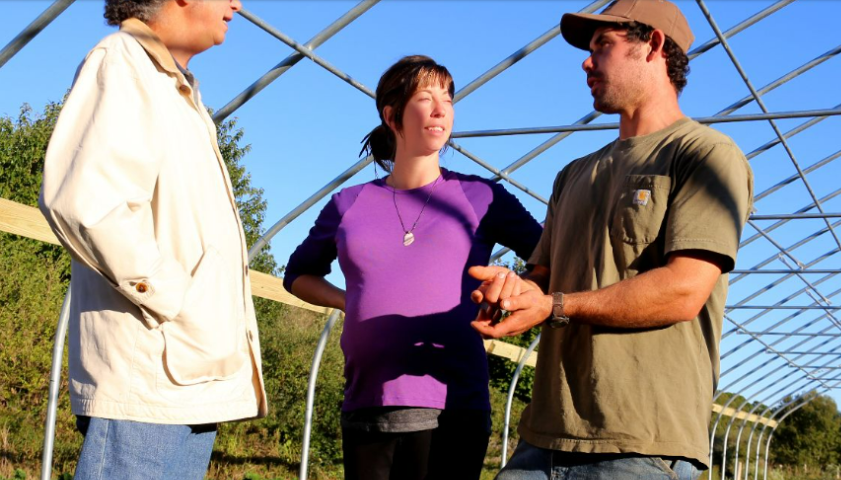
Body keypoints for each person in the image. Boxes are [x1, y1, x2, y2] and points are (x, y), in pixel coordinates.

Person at [468, 1, 754, 479]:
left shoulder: (704, 154)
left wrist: (555, 305)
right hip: (545, 436)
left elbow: (684, 290)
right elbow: (542, 281)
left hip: (641, 443)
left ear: (654, 45)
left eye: (604, 44)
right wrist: (512, 292)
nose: (586, 60)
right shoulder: (573, 174)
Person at [283, 55, 544, 480]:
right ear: (392, 115)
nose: (441, 109)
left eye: (448, 98)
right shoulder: (348, 204)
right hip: (366, 400)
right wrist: (352, 303)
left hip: (452, 402)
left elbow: (548, 255)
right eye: (426, 98)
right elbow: (298, 274)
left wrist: (518, 287)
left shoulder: (482, 197)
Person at [38, 1, 265, 478]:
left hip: (187, 372)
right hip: (149, 371)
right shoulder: (123, 60)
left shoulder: (175, 86)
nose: (237, 4)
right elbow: (87, 202)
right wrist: (171, 296)